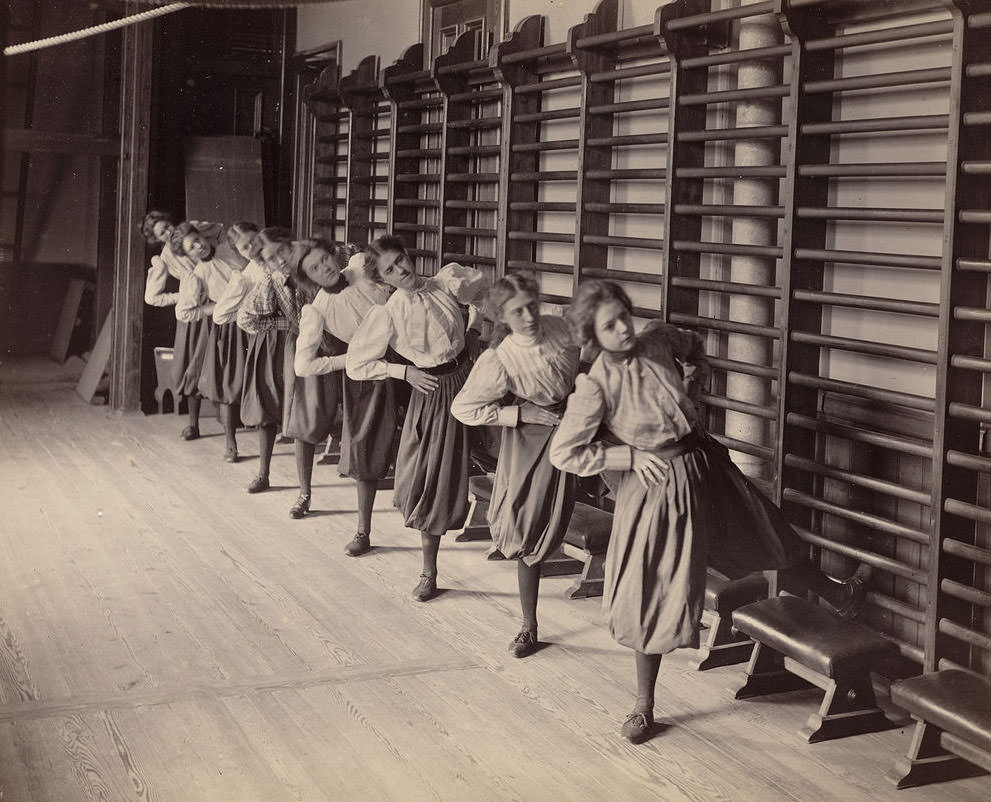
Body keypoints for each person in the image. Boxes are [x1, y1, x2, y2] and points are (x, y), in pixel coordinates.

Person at [549, 280, 868, 745]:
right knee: (652, 588)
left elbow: (694, 347)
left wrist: (696, 375)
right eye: (609, 326)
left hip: (704, 460)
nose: (623, 330)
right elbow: (566, 453)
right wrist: (628, 458)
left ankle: (838, 595)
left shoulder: (656, 337)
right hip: (657, 485)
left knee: (765, 531)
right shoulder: (595, 386)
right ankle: (643, 706)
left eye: (624, 317)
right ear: (592, 335)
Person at [346, 235, 487, 602]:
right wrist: (404, 373)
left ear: (409, 255)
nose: (400, 270)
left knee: (494, 457)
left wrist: (472, 330)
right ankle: (429, 571)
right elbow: (357, 363)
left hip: (471, 378)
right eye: (389, 270)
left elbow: (483, 296)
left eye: (400, 260)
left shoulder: (446, 282)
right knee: (434, 482)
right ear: (383, 279)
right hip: (435, 392)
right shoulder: (389, 311)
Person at [451, 272, 580, 657]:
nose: (529, 316)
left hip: (578, 425)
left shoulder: (562, 327)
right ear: (503, 317)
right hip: (532, 440)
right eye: (518, 311)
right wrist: (519, 414)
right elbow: (464, 408)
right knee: (527, 528)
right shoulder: (500, 357)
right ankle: (529, 625)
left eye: (532, 306)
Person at [294, 249, 400, 546]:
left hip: (411, 357)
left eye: (325, 259)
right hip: (370, 374)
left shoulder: (359, 268)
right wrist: (350, 359)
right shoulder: (317, 309)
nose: (324, 268)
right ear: (308, 278)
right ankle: (363, 531)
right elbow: (303, 366)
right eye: (315, 268)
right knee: (365, 446)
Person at [175, 221, 248, 462]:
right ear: (187, 255)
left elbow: (218, 228)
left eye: (198, 240)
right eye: (191, 247)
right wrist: (216, 308)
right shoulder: (197, 275)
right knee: (218, 377)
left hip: (250, 317)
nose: (198, 246)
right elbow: (185, 312)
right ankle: (229, 444)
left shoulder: (229, 249)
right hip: (223, 325)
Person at [236, 226, 294, 493]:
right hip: (275, 345)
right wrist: (278, 326)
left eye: (283, 250)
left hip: (306, 343)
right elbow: (245, 317)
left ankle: (305, 488)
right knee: (269, 408)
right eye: (272, 257)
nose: (280, 259)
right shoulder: (270, 279)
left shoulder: (310, 271)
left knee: (303, 408)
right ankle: (263, 473)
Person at [141, 210, 199, 438]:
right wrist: (181, 296)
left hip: (218, 300)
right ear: (157, 239)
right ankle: (194, 424)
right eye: (162, 233)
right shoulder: (164, 258)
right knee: (192, 366)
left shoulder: (192, 234)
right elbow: (152, 297)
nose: (168, 232)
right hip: (193, 309)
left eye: (167, 226)